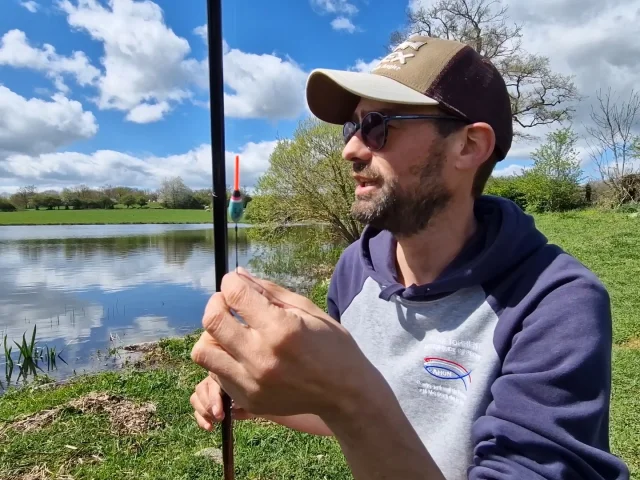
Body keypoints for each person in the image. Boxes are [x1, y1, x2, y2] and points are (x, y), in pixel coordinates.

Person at [190, 35, 630, 480]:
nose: (351, 149)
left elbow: (359, 406)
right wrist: (273, 391)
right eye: (352, 127)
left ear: (469, 147)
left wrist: (348, 395)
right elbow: (357, 414)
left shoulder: (557, 305)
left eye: (378, 125)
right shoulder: (354, 269)